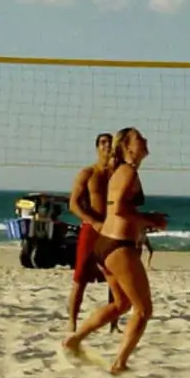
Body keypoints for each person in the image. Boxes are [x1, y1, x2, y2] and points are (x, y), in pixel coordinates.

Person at [63, 127, 168, 374]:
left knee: (121, 304)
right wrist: (149, 219)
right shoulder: (127, 171)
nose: (145, 140)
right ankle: (119, 363)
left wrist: (145, 218)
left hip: (106, 244)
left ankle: (75, 339)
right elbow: (119, 208)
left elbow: (117, 207)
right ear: (127, 147)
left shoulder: (122, 171)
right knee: (143, 309)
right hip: (118, 246)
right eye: (139, 138)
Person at [67, 133, 114, 332]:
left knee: (115, 276)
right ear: (97, 148)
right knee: (80, 276)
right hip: (92, 228)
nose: (107, 145)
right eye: (103, 142)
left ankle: (114, 323)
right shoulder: (88, 173)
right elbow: (73, 204)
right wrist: (94, 222)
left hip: (113, 228)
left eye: (110, 142)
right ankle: (72, 322)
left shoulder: (120, 173)